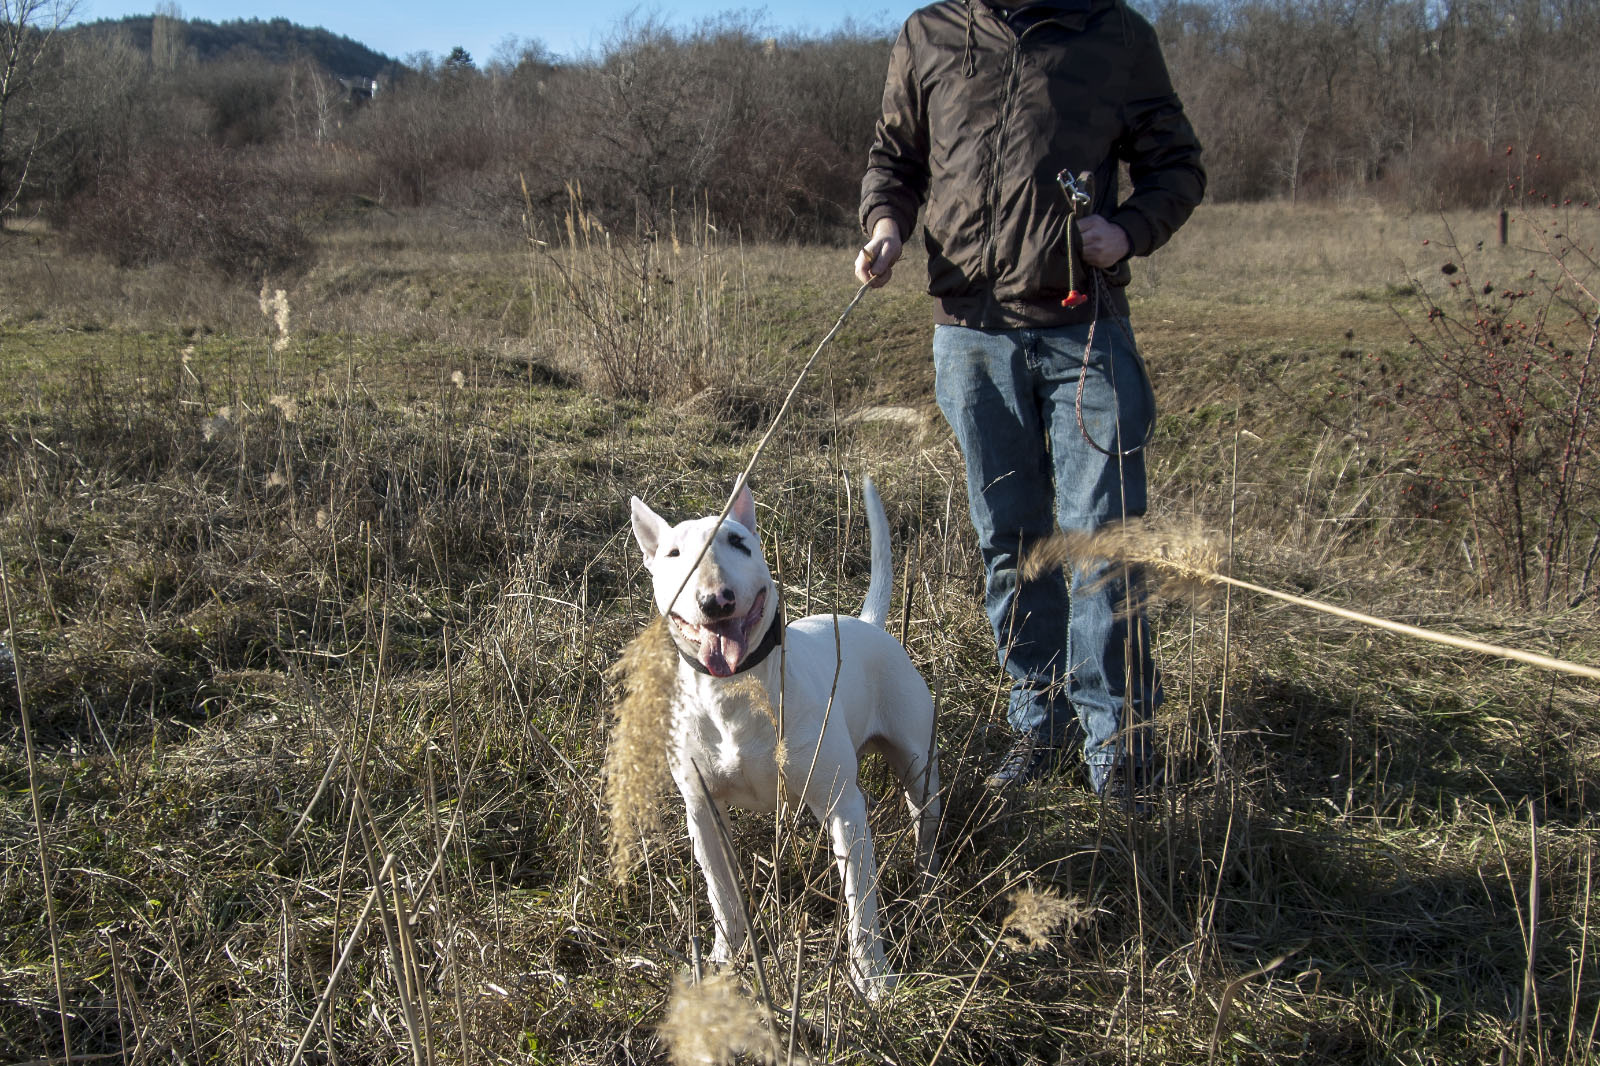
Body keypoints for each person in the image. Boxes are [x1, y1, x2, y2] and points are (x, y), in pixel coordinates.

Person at [855, 0, 1205, 801]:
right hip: (971, 335)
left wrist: (1128, 231)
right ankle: (1039, 724)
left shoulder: (1114, 35)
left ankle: (1118, 751)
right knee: (1011, 543)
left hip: (1084, 331)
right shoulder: (929, 33)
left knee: (1102, 546)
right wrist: (886, 226)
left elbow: (1177, 166)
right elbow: (895, 161)